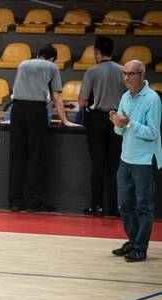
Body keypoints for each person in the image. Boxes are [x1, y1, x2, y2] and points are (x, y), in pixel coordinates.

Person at [8, 44, 80, 212]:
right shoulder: (52, 67)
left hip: (17, 109)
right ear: (52, 58)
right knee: (36, 156)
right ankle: (34, 202)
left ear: (38, 53)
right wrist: (65, 120)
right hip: (37, 110)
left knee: (17, 156)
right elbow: (56, 96)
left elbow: (16, 90)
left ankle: (15, 201)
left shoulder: (23, 64)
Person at [110, 60, 161, 262]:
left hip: (145, 160)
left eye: (131, 74)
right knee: (124, 204)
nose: (127, 78)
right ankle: (133, 241)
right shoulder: (125, 97)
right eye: (124, 74)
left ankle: (141, 247)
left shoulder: (152, 99)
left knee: (143, 206)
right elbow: (119, 131)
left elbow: (153, 133)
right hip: (126, 159)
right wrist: (119, 124)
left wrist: (130, 123)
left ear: (141, 75)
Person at [79, 36, 126, 217]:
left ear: (96, 52)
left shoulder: (92, 72)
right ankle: (116, 206)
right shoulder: (123, 71)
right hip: (117, 118)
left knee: (97, 164)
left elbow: (82, 100)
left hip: (97, 119)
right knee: (115, 165)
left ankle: (96, 205)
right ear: (112, 52)